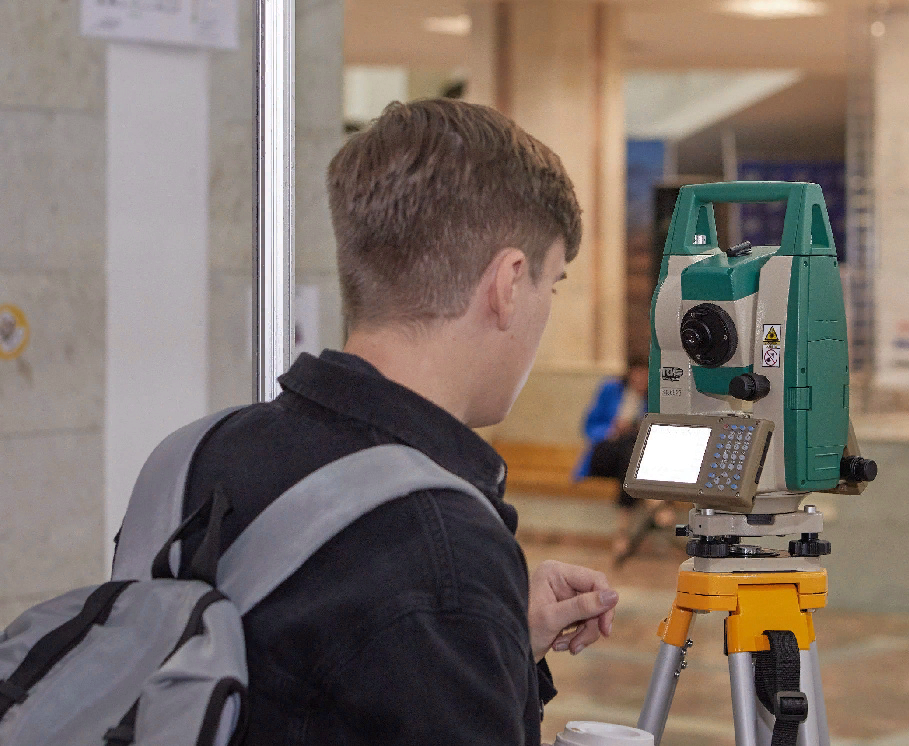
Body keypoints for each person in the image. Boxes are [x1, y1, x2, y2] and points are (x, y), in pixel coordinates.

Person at [169, 99, 619, 745]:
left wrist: (490, 639)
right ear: (508, 283)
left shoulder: (193, 460)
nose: (546, 308)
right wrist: (464, 610)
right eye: (554, 283)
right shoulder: (443, 550)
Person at [574, 357, 675, 563]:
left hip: (632, 459)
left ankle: (622, 533)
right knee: (628, 450)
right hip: (606, 454)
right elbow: (589, 426)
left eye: (645, 375)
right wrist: (612, 429)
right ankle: (654, 503)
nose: (641, 379)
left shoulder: (654, 398)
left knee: (631, 453)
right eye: (637, 374)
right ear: (629, 373)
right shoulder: (611, 389)